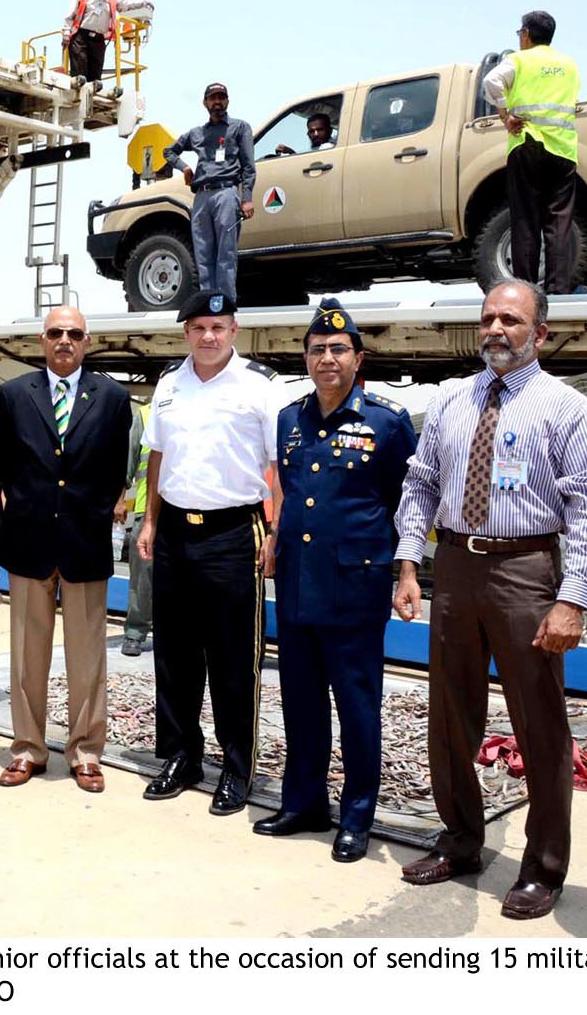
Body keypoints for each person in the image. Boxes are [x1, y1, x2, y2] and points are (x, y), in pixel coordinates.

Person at [392, 279, 587, 920]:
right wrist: (409, 564)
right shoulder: (454, 401)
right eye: (488, 317)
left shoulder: (567, 408)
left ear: (539, 333)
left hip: (526, 571)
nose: (495, 328)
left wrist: (571, 600)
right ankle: (461, 841)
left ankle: (544, 867)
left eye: (511, 320)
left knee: (538, 723)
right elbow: (421, 485)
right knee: (450, 714)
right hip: (456, 566)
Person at [256, 299, 416, 862]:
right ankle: (304, 803)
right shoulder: (289, 419)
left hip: (354, 589)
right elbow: (292, 494)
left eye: (338, 349)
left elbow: (407, 502)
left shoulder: (386, 422)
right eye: (317, 349)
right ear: (306, 357)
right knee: (300, 702)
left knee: (357, 706)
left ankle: (356, 816)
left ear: (358, 358)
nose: (327, 358)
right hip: (298, 586)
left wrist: (405, 570)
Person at [136, 291, 283, 813]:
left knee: (232, 657)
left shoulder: (259, 388)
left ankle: (236, 768)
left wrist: (275, 532)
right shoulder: (170, 384)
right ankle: (181, 756)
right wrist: (151, 519)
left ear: (234, 331)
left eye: (217, 327)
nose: (208, 336)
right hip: (175, 531)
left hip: (231, 534)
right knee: (174, 653)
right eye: (198, 327)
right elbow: (158, 455)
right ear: (186, 334)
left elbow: (277, 465)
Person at [0, 306, 131, 794]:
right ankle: (27, 749)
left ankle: (86, 753)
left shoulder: (113, 398)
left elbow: (117, 467)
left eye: (74, 334)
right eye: (56, 333)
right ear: (41, 340)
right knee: (27, 657)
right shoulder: (12, 396)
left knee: (87, 658)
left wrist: (95, 515)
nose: (65, 341)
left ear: (87, 342)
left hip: (84, 545)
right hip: (29, 544)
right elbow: (2, 467)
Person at [482, 10, 581, 295]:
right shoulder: (569, 65)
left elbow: (492, 82)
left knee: (526, 219)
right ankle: (558, 290)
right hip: (563, 149)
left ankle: (526, 290)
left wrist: (505, 116)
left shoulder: (519, 59)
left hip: (527, 142)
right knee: (559, 222)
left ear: (526, 34)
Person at [162, 84, 257, 304]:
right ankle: (208, 304)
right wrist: (184, 167)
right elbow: (169, 151)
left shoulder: (240, 128)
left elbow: (249, 166)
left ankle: (225, 305)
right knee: (203, 255)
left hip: (226, 192)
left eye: (221, 98)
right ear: (205, 103)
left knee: (226, 254)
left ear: (228, 101)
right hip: (202, 196)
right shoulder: (197, 133)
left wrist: (247, 198)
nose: (217, 102)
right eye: (213, 98)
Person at [60, 0, 151, 85]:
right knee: (80, 76)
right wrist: (66, 34)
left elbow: (126, 4)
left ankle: (92, 98)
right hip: (81, 38)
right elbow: (69, 15)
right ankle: (78, 96)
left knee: (96, 77)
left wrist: (143, 3)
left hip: (98, 40)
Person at [118, 399, 154, 657]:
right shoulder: (145, 414)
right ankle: (134, 633)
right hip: (145, 509)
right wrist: (120, 499)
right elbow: (129, 459)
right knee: (142, 576)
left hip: (181, 509)